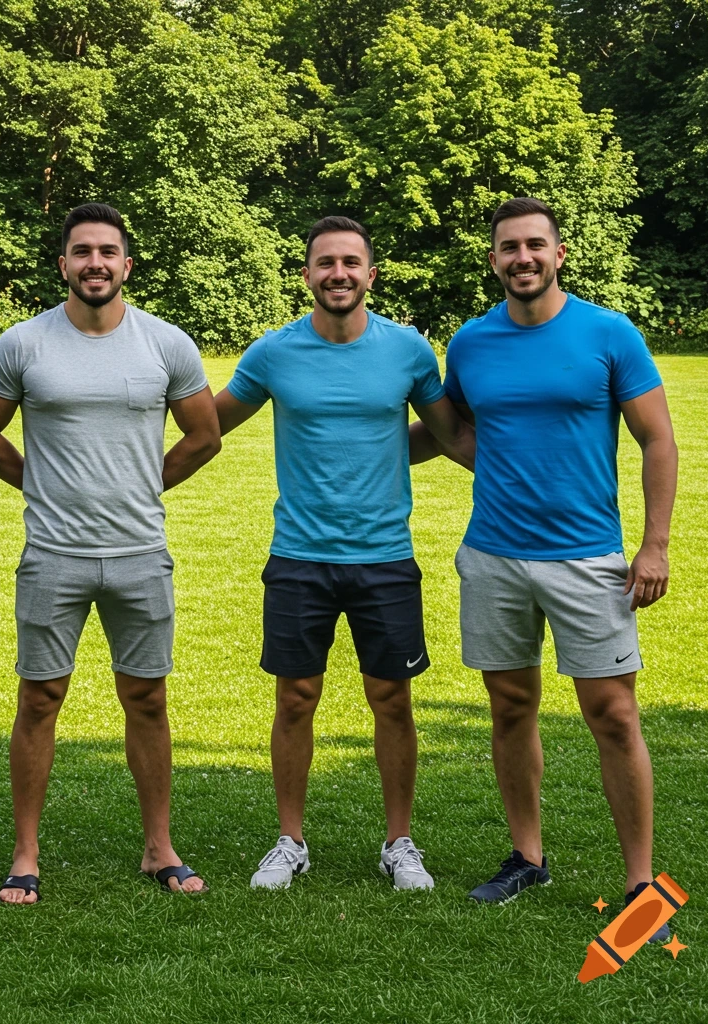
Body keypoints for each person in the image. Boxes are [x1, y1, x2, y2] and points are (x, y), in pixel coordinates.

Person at [0, 202, 221, 901]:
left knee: (147, 697)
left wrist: (146, 483)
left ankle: (158, 847)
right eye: (82, 252)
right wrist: (38, 482)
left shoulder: (166, 343)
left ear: (127, 265)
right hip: (54, 552)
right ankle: (25, 853)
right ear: (64, 265)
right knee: (40, 698)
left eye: (108, 252)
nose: (95, 263)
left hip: (140, 552)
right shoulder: (23, 343)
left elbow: (203, 436)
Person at [436, 197, 677, 929]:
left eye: (535, 245)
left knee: (613, 714)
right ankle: (527, 858)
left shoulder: (609, 333)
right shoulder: (471, 343)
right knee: (510, 708)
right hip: (494, 557)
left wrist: (655, 543)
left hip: (589, 560)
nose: (522, 258)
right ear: (493, 260)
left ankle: (640, 883)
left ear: (559, 253)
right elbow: (453, 428)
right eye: (508, 248)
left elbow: (658, 441)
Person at [214, 216, 475, 890]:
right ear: (306, 274)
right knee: (296, 698)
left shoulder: (410, 352)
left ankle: (400, 843)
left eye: (350, 262)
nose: (338, 273)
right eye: (325, 263)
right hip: (298, 554)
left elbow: (452, 437)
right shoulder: (272, 354)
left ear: (370, 274)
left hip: (385, 554)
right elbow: (206, 423)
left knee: (392, 699)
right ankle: (290, 841)